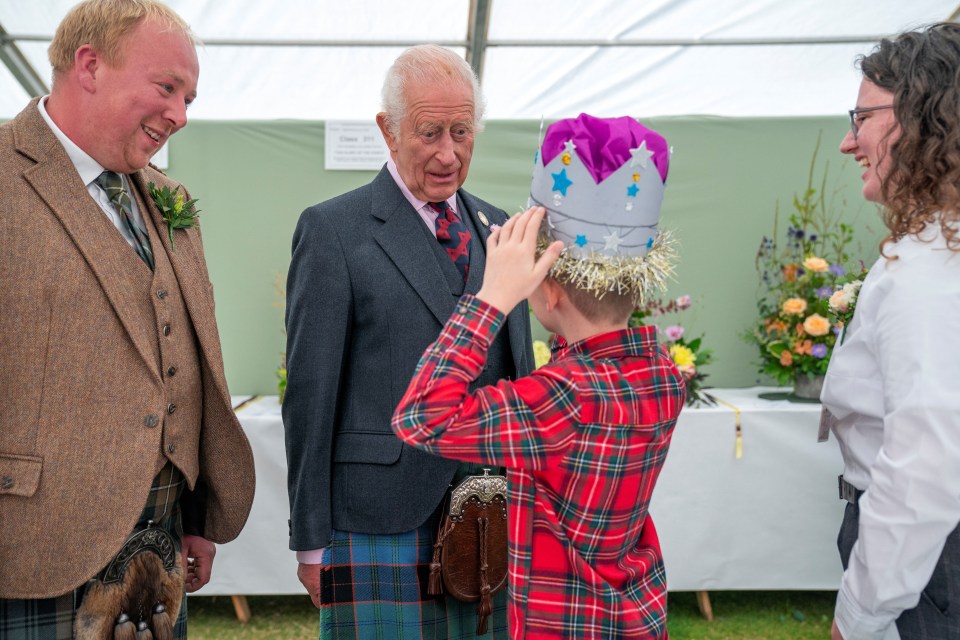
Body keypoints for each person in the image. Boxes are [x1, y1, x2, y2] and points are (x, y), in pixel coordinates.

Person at [0, 1, 256, 638]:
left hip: (160, 545)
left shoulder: (166, 197)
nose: (181, 115)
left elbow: (186, 360)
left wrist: (193, 511)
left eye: (189, 97)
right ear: (89, 66)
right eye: (167, 88)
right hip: (32, 545)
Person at [391, 113, 686, 639]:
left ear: (547, 290)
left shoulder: (560, 399)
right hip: (637, 616)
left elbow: (421, 417)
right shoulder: (663, 375)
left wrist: (491, 298)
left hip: (566, 624)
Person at [283, 44, 535, 638]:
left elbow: (518, 373)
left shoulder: (500, 227)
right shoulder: (332, 230)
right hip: (376, 518)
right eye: (429, 133)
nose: (448, 153)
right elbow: (310, 395)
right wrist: (311, 540)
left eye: (461, 131)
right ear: (387, 131)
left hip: (487, 514)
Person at [823, 22, 960, 640]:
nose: (850, 142)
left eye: (862, 118)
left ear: (923, 116)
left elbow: (924, 463)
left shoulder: (931, 267)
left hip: (927, 569)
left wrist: (861, 612)